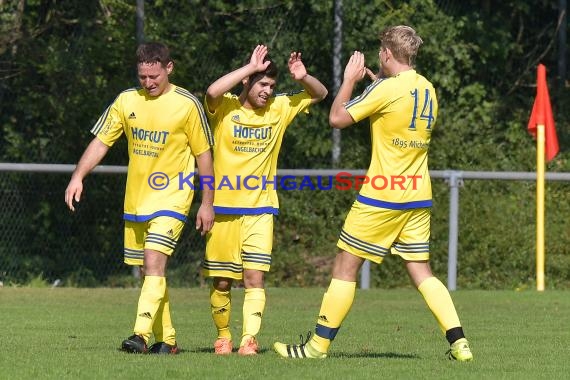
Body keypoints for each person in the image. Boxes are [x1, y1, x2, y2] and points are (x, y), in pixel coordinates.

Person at [273, 25, 473, 361]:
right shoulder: (427, 88)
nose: (379, 55)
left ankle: (316, 347)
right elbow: (397, 110)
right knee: (422, 271)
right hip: (417, 194)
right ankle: (460, 343)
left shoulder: (387, 89)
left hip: (383, 194)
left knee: (344, 267)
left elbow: (337, 118)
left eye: (381, 51)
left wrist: (350, 79)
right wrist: (376, 85)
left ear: (387, 54)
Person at [64, 42, 214, 354]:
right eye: (143, 76)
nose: (148, 83)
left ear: (169, 68)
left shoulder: (187, 104)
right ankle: (168, 340)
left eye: (154, 76)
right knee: (149, 273)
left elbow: (204, 156)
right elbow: (101, 142)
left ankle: (140, 335)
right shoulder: (127, 100)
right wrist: (78, 176)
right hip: (136, 201)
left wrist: (207, 202)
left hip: (173, 198)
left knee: (153, 262)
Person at [202, 45, 328, 355]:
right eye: (262, 85)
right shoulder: (227, 108)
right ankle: (223, 337)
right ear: (248, 83)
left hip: (261, 209)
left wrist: (304, 76)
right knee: (221, 283)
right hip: (224, 210)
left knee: (254, 277)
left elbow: (320, 94)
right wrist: (248, 69)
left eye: (272, 86)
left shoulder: (279, 108)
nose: (268, 92)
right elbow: (211, 91)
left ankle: (248, 340)